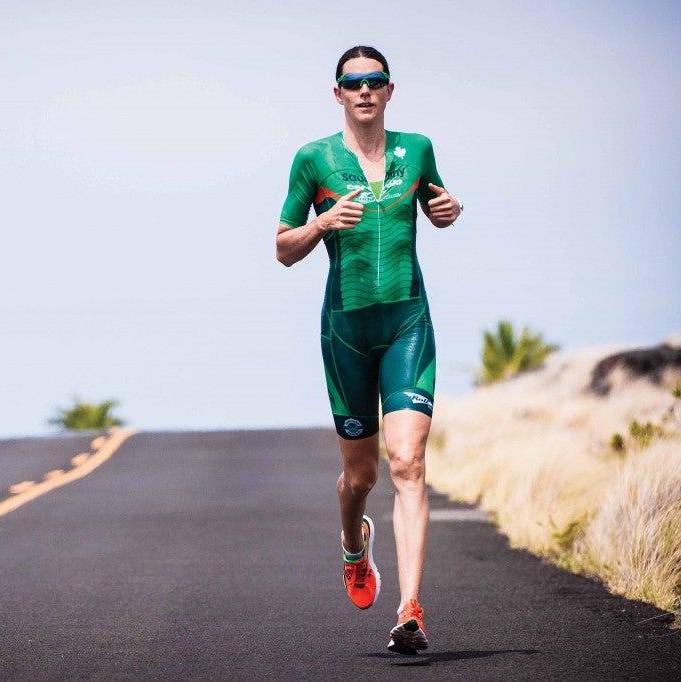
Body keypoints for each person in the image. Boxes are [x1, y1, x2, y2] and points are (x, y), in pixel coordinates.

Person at [275, 45, 462, 655]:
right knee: (362, 475)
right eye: (353, 83)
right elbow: (282, 247)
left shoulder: (418, 149)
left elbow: (439, 209)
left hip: (408, 323)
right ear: (338, 93)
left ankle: (410, 610)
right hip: (346, 333)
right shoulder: (314, 159)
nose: (364, 91)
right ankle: (354, 547)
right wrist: (320, 224)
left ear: (389, 90)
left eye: (374, 81)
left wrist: (450, 209)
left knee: (407, 462)